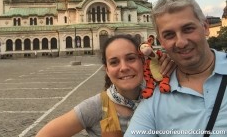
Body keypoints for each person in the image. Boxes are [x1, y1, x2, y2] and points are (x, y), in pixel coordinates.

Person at [125, 0, 227, 136]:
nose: (181, 42)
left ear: (205, 27)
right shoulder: (156, 94)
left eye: (188, 29)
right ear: (160, 41)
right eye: (169, 35)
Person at [35, 34, 174, 137]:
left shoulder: (160, 95)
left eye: (131, 58)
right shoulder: (95, 107)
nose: (124, 67)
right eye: (114, 62)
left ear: (143, 62)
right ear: (107, 70)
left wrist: (173, 68)